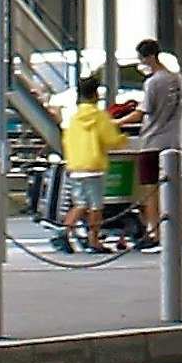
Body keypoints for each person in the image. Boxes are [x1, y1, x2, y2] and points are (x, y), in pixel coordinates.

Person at [131, 36, 182, 249]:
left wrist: (115, 120)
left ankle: (154, 233)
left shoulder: (153, 82)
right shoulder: (177, 78)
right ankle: (180, 233)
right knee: (176, 189)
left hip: (153, 141)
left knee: (150, 190)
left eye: (141, 59)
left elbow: (141, 113)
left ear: (148, 57)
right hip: (174, 141)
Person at [54, 68, 119, 253]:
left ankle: (64, 231)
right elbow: (111, 140)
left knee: (80, 203)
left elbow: (67, 140)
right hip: (94, 167)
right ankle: (94, 240)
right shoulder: (99, 117)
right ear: (96, 94)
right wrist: (121, 140)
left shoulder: (74, 118)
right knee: (96, 206)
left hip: (76, 167)